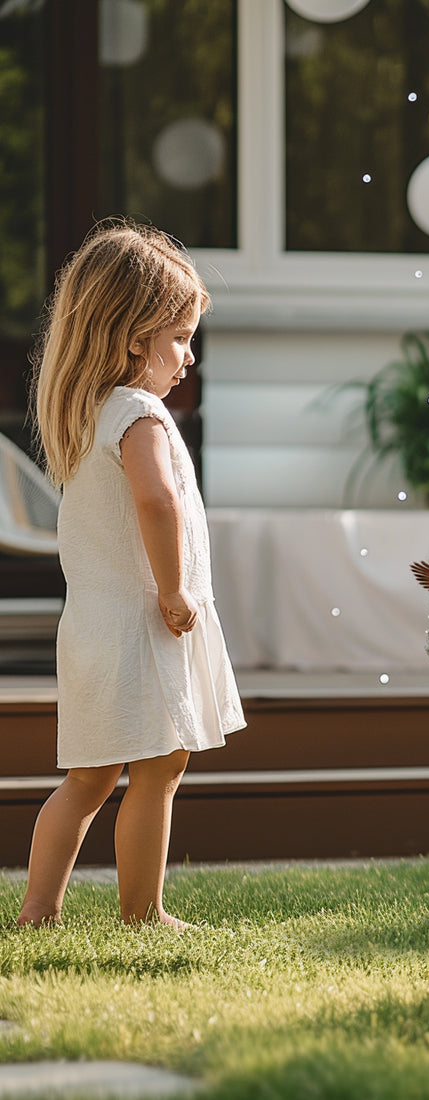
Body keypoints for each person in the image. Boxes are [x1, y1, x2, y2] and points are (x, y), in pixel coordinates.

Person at [18, 219, 245, 929]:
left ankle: (38, 909)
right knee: (160, 768)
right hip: (142, 626)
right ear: (131, 339)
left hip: (92, 628)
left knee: (86, 780)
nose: (188, 356)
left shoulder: (87, 412)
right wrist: (175, 591)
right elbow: (156, 499)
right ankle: (142, 913)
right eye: (178, 338)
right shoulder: (139, 413)